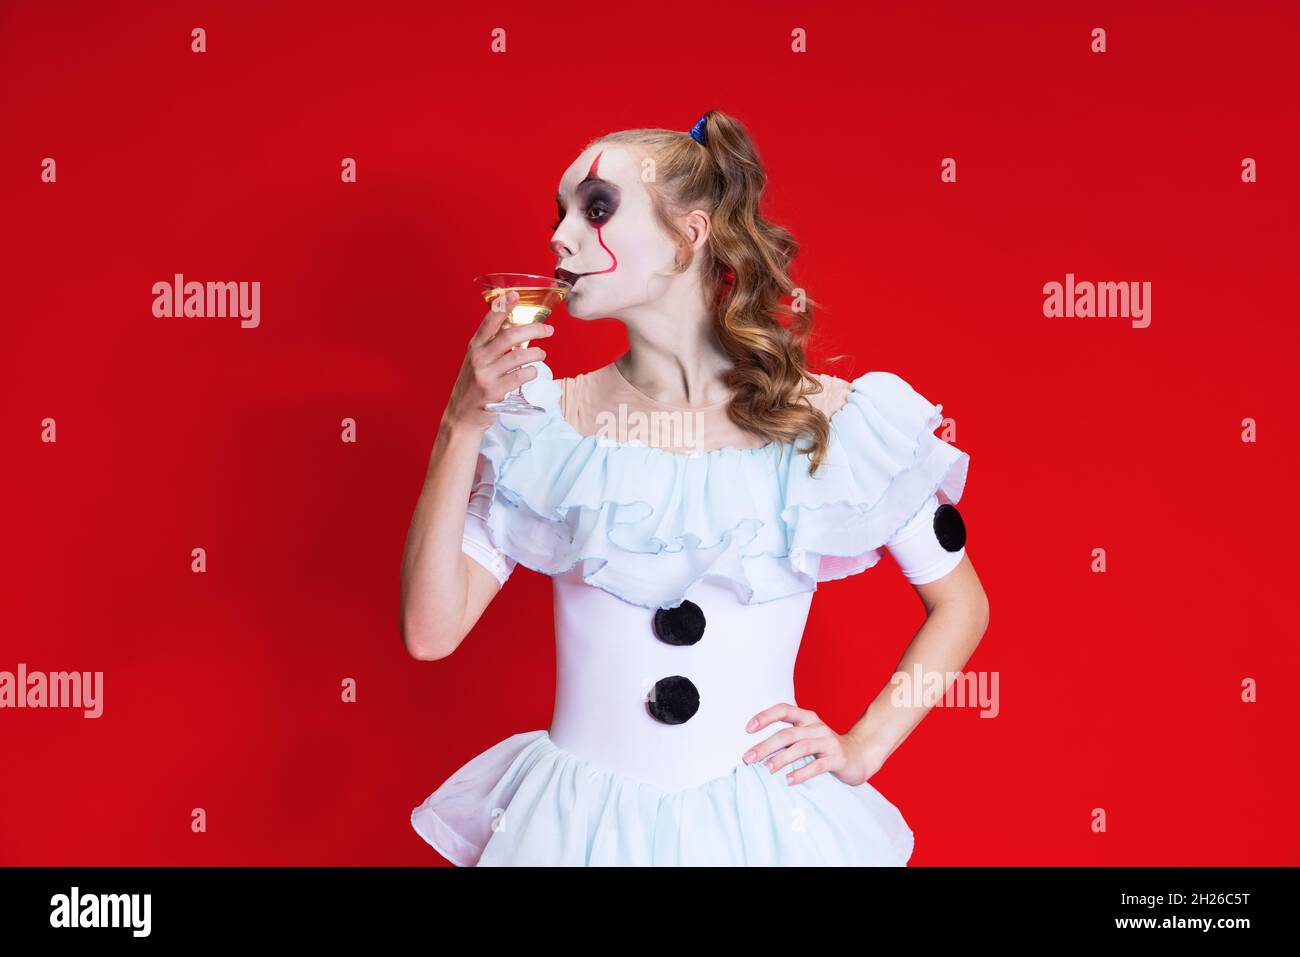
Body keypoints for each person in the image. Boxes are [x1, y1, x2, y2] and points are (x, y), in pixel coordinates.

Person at [401, 111, 989, 866]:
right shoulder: (546, 427)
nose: (560, 235)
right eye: (561, 212)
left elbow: (963, 603)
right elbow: (429, 631)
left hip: (763, 831)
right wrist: (462, 423)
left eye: (597, 207)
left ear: (691, 234)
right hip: (581, 832)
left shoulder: (832, 421)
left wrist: (863, 746)